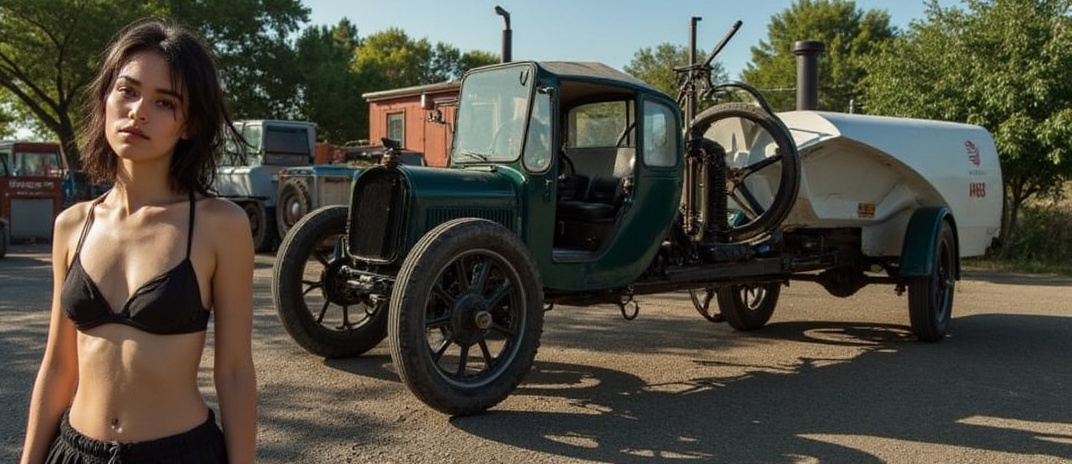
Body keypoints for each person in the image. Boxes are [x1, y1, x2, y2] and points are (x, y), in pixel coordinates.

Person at [20, 18, 257, 464]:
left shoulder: (220, 225)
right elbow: (57, 366)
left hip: (180, 454)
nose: (139, 112)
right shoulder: (72, 225)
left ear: (189, 125)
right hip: (73, 452)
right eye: (127, 91)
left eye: (165, 102)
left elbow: (235, 372)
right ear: (106, 99)